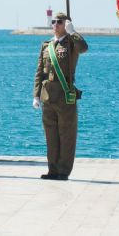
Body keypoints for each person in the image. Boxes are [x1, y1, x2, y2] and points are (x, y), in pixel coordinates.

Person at [32, 12, 88, 181]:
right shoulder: (46, 45)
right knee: (51, 136)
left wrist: (73, 32)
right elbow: (39, 72)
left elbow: (84, 48)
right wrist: (36, 95)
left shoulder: (71, 43)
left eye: (60, 22)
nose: (55, 24)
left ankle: (63, 171)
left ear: (66, 24)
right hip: (48, 96)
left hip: (64, 95)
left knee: (66, 135)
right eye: (54, 22)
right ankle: (53, 169)